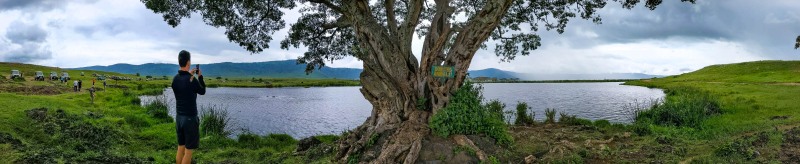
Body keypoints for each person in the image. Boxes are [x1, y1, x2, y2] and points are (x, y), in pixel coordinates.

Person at [172, 50, 206, 164]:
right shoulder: (192, 80)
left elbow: (184, 83)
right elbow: (202, 91)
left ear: (179, 61)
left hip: (179, 118)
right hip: (190, 119)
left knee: (180, 147)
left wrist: (190, 75)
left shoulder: (175, 79)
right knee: (188, 151)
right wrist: (199, 77)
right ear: (188, 62)